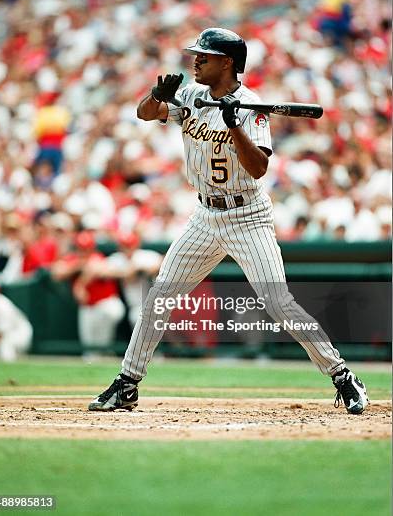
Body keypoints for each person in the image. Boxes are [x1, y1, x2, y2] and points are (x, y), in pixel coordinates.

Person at [88, 27, 369, 415]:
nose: (196, 60)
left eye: (205, 56)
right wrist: (158, 96)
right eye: (196, 55)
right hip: (204, 214)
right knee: (159, 297)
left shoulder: (251, 106)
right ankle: (127, 384)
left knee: (278, 301)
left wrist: (235, 123)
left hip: (247, 215)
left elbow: (257, 168)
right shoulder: (190, 93)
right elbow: (145, 113)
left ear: (229, 63)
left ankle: (342, 376)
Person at [0, 277, 33, 361]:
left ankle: (11, 370)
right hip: (6, 334)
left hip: (20, 332)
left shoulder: (2, 306)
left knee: (5, 346)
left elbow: (0, 334)